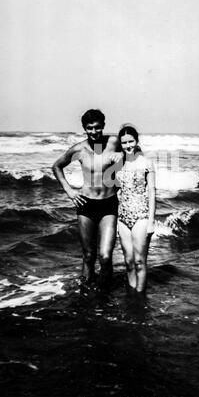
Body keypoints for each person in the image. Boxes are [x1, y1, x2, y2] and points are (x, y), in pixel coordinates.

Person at [52, 109, 121, 287]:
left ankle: (105, 295)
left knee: (105, 256)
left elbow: (135, 150)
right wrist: (69, 191)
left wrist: (123, 155)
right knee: (89, 256)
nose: (94, 132)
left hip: (108, 204)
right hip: (86, 205)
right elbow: (56, 167)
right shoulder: (79, 149)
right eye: (89, 128)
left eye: (97, 127)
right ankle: (86, 295)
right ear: (84, 128)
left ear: (103, 126)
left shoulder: (113, 142)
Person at [116, 125, 156, 293]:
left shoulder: (146, 162)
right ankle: (132, 295)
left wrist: (151, 222)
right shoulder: (118, 164)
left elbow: (152, 192)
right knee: (128, 261)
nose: (128, 145)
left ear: (137, 141)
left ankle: (141, 297)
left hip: (141, 216)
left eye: (131, 141)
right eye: (124, 142)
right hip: (122, 217)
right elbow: (115, 188)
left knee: (140, 261)